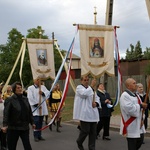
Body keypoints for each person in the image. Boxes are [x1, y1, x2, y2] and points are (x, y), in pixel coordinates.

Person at [2, 82, 35, 150]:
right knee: (12, 146)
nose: (20, 89)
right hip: (14, 127)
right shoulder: (10, 100)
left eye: (20, 87)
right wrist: (5, 125)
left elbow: (29, 112)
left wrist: (32, 122)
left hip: (24, 127)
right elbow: (6, 113)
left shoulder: (25, 99)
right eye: (18, 88)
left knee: (27, 146)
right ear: (14, 89)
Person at [73, 76, 100, 150]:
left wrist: (96, 103)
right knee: (85, 131)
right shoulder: (79, 88)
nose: (86, 81)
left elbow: (97, 98)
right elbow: (84, 95)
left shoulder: (92, 89)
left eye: (88, 80)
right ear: (81, 81)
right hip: (84, 113)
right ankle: (79, 141)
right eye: (85, 80)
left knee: (93, 133)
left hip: (93, 114)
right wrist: (91, 86)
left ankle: (92, 148)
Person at [119, 78, 147, 150]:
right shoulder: (124, 96)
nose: (136, 85)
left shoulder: (136, 95)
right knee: (132, 145)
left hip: (139, 124)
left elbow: (141, 110)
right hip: (131, 125)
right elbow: (129, 109)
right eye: (134, 83)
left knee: (140, 140)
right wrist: (141, 105)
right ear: (128, 86)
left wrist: (142, 119)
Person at [27, 77, 49, 142]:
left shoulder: (43, 87)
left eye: (40, 80)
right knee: (36, 122)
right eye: (37, 80)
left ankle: (39, 135)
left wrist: (42, 93)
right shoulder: (30, 88)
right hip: (36, 108)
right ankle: (35, 136)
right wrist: (36, 105)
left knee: (40, 122)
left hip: (42, 108)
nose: (39, 81)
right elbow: (30, 97)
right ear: (34, 81)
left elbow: (48, 93)